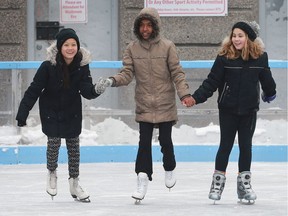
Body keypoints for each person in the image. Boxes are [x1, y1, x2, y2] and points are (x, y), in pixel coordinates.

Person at [98, 7, 194, 201]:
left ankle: (169, 167)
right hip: (144, 102)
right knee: (144, 144)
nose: (145, 29)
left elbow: (177, 72)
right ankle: (142, 178)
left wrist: (184, 94)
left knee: (165, 141)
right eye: (142, 25)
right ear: (137, 27)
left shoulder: (167, 46)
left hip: (165, 101)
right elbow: (127, 73)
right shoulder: (132, 48)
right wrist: (112, 80)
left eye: (149, 25)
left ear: (155, 26)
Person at [190, 21, 276, 203]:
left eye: (240, 36)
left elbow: (267, 79)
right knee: (225, 145)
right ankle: (217, 184)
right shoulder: (224, 57)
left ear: (249, 38)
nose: (236, 39)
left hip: (249, 110)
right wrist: (196, 98)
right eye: (234, 35)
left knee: (246, 146)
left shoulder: (260, 57)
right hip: (228, 109)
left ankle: (244, 187)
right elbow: (211, 82)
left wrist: (270, 93)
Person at [16, 28, 106, 202]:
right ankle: (51, 173)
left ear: (77, 47)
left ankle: (74, 183)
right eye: (66, 45)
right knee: (54, 142)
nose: (70, 48)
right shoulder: (48, 66)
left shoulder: (81, 66)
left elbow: (86, 90)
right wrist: (23, 112)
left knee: (74, 148)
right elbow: (34, 90)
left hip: (71, 111)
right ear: (59, 47)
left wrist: (96, 90)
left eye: (73, 44)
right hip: (51, 110)